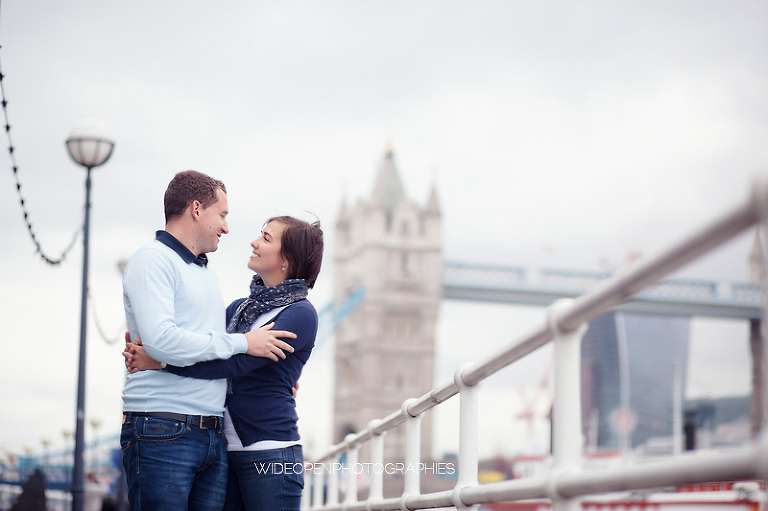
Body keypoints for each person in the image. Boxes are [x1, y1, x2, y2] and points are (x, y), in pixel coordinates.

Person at [120, 170, 297, 511]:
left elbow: (203, 350)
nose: (227, 227)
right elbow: (162, 342)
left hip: (211, 433)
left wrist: (273, 379)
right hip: (162, 427)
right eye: (223, 215)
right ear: (197, 209)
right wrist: (244, 342)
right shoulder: (152, 260)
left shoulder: (205, 272)